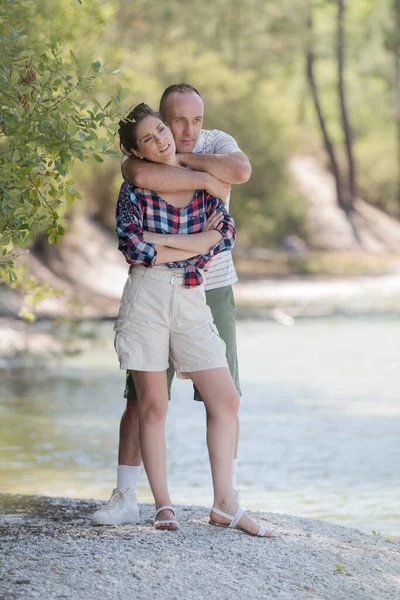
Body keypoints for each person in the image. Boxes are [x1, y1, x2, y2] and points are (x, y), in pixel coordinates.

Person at [104, 103, 271, 537]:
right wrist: (191, 244)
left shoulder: (210, 162)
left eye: (162, 129)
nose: (165, 136)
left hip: (194, 296)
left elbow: (225, 233)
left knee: (226, 397)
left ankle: (225, 503)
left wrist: (164, 240)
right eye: (151, 136)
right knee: (152, 405)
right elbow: (133, 247)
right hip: (148, 296)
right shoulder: (136, 185)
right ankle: (162, 505)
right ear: (136, 149)